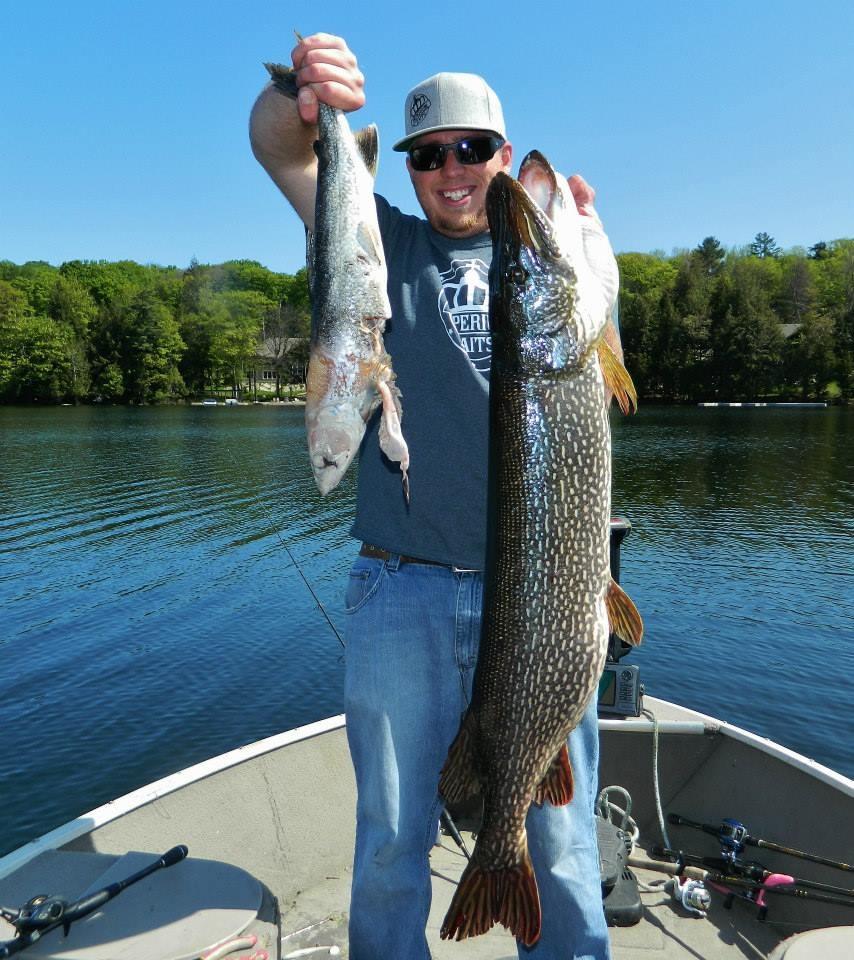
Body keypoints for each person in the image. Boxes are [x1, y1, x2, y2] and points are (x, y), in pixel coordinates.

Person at [250, 33, 613, 960]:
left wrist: (578, 233)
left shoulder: (551, 266)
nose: (452, 171)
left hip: (544, 604)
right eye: (426, 155)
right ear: (406, 167)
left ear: (501, 153)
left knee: (563, 848)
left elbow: (597, 346)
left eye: (472, 149)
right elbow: (284, 152)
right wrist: (304, 95)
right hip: (400, 591)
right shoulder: (380, 244)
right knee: (388, 849)